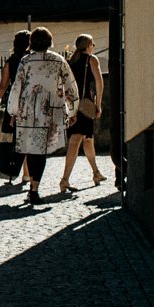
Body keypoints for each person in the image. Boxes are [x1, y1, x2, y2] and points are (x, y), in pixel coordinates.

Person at [6, 27, 79, 204]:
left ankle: (33, 188)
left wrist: (13, 112)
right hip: (50, 111)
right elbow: (71, 86)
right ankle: (34, 188)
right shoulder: (58, 60)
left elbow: (17, 87)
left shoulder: (25, 61)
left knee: (32, 150)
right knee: (41, 151)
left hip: (27, 111)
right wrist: (72, 109)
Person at [58, 34, 107, 192]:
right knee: (76, 140)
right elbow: (99, 82)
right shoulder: (91, 60)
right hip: (85, 104)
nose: (93, 46)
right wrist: (98, 104)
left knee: (87, 139)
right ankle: (65, 179)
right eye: (93, 44)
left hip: (71, 104)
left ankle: (96, 172)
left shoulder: (71, 61)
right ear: (88, 45)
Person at [0, 29, 30, 184]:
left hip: (15, 102)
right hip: (31, 101)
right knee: (30, 137)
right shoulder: (33, 59)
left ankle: (18, 170)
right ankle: (27, 172)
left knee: (18, 137)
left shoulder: (11, 61)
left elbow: (3, 85)